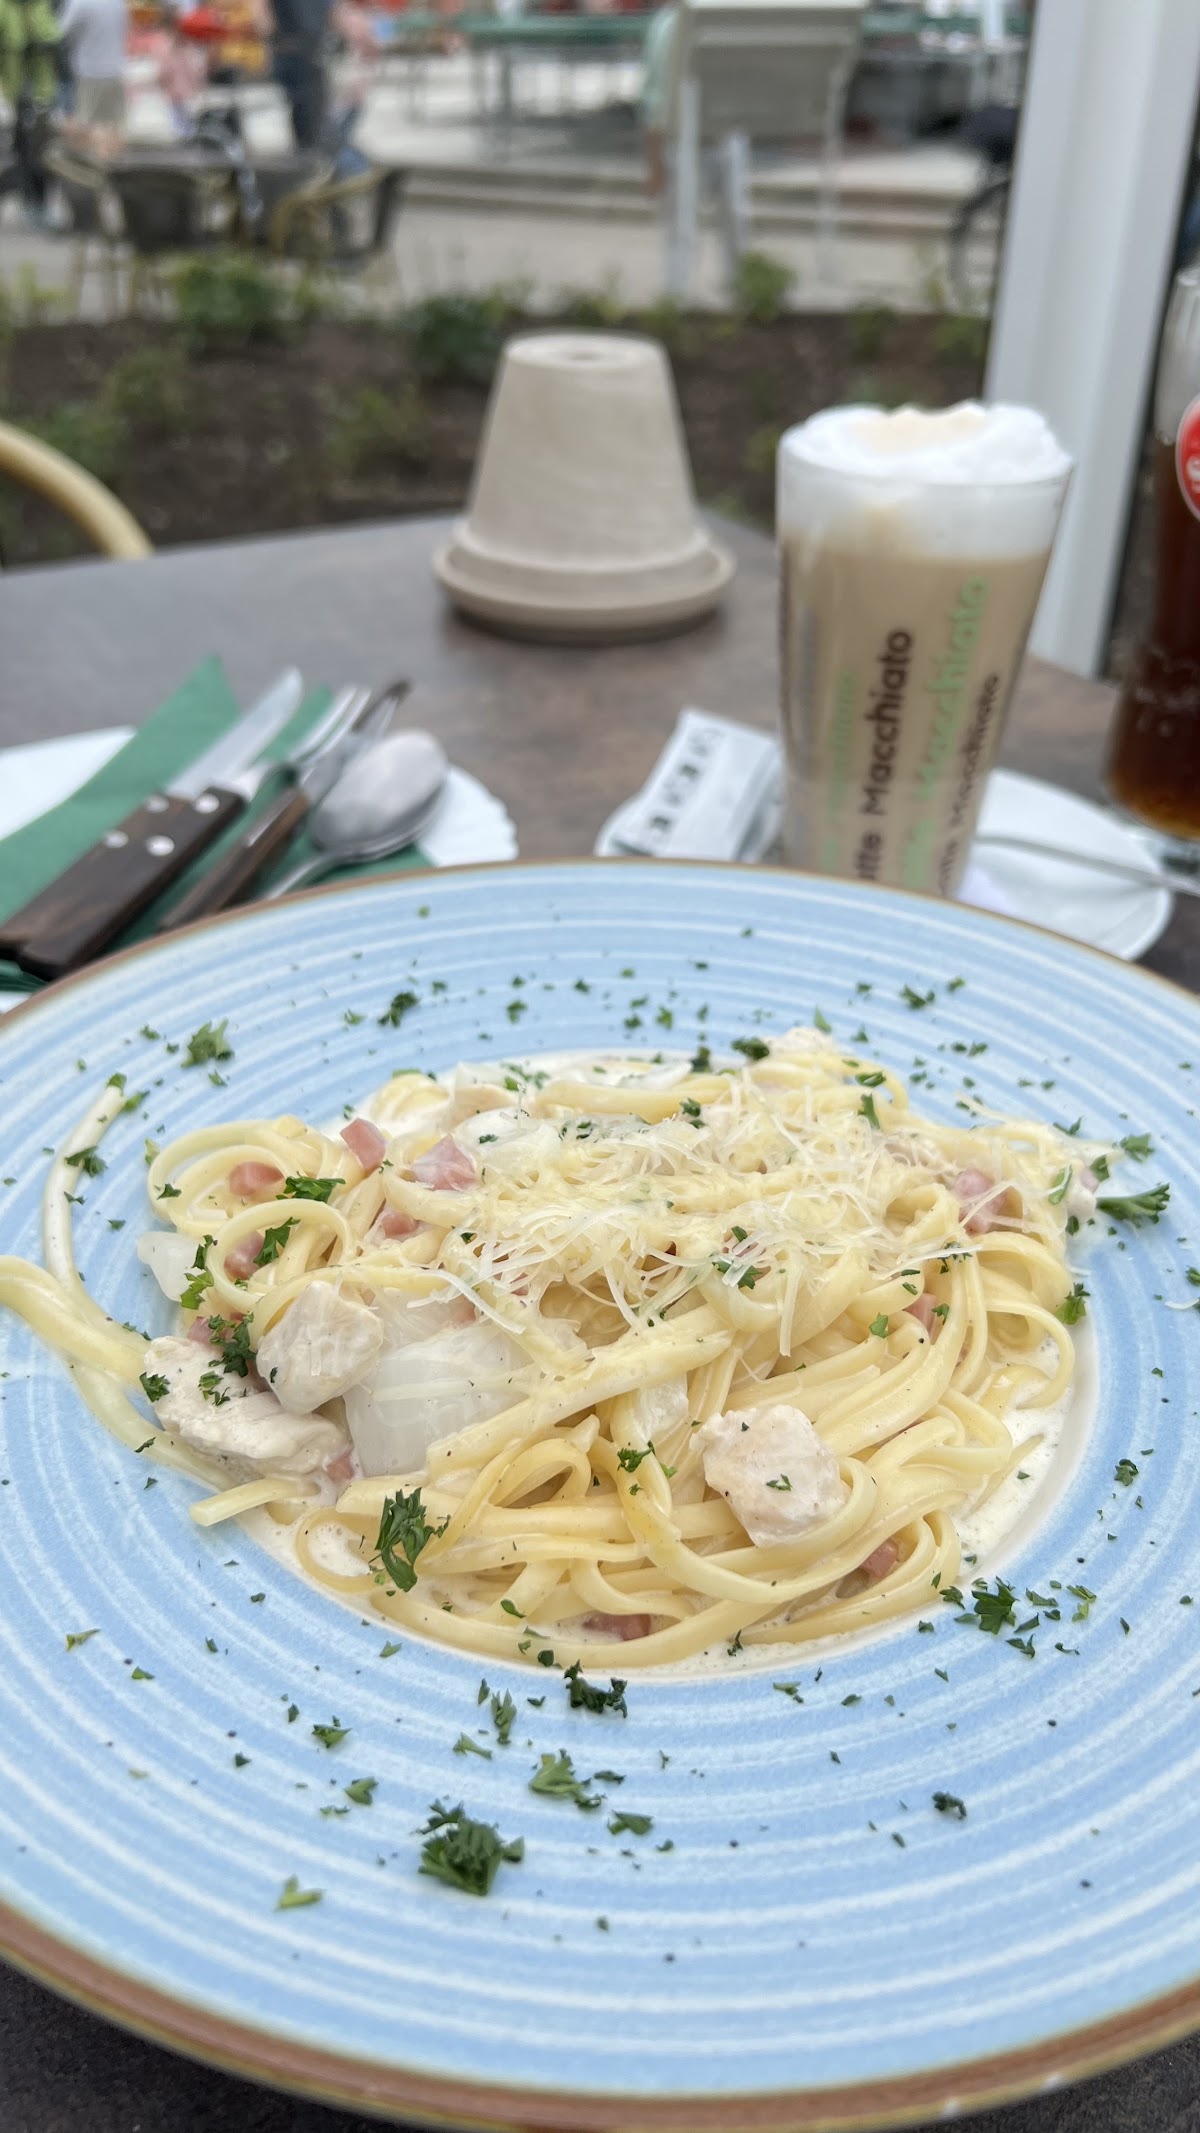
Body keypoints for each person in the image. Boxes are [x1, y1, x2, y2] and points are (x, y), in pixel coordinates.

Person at [58, 0, 127, 144]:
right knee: (114, 126)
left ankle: (91, 164)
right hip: (116, 70)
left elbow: (62, 33)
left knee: (86, 125)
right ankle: (111, 163)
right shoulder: (118, 2)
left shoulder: (79, 3)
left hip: (89, 71)